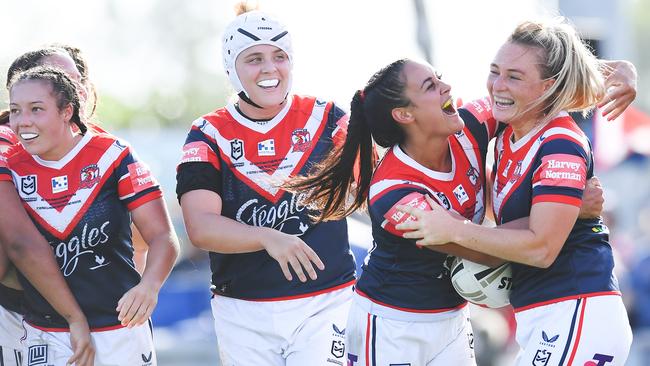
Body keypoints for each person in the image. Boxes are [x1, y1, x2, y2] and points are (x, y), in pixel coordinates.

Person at [396, 19, 634, 366]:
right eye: (495, 72)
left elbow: (541, 248)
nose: (497, 85)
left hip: (578, 311)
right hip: (548, 318)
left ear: (547, 87)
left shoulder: (560, 142)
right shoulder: (507, 135)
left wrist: (453, 230)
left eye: (514, 76)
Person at [175, 6, 356, 365]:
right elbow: (200, 227)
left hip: (326, 301)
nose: (269, 68)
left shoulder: (328, 117)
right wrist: (267, 237)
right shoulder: (207, 133)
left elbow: (374, 185)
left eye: (279, 56)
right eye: (254, 59)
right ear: (232, 69)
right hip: (242, 310)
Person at [3, 66, 179, 365]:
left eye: (36, 109)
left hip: (121, 328)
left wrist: (149, 286)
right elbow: (21, 247)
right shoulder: (9, 167)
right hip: (48, 331)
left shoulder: (113, 155)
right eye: (16, 111)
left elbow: (163, 236)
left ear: (66, 111)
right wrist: (74, 319)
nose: (23, 122)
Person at [0, 46, 100, 366]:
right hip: (21, 312)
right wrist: (75, 315)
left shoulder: (103, 148)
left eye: (78, 78)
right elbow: (19, 244)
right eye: (62, 79)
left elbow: (143, 237)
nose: (76, 86)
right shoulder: (8, 140)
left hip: (77, 314)